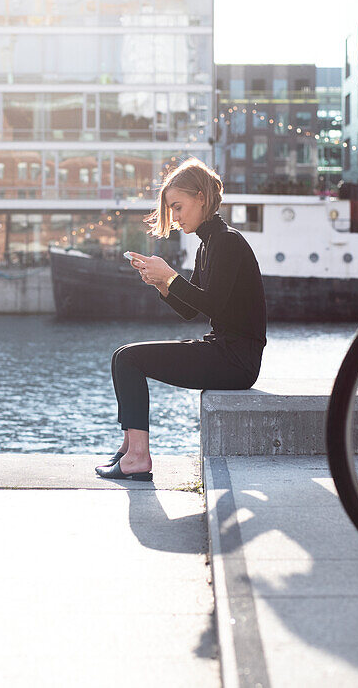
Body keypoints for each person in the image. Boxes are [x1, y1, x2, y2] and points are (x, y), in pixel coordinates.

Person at [95, 158, 267, 480]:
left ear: (201, 197)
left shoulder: (227, 241)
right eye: (171, 209)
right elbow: (191, 310)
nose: (174, 217)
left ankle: (137, 456)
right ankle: (129, 448)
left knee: (129, 359)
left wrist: (171, 276)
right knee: (123, 355)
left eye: (178, 206)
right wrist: (159, 282)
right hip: (224, 352)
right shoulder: (209, 244)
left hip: (236, 360)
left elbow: (213, 304)